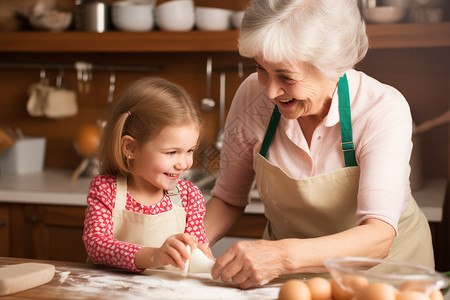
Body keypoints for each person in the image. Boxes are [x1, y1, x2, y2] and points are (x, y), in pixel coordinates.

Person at [204, 0, 434, 289]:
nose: (270, 90)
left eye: (286, 76)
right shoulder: (252, 94)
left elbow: (378, 236)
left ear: (335, 65)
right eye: (260, 68)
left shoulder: (381, 109)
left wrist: (282, 256)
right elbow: (228, 197)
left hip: (383, 279)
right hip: (287, 281)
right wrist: (191, 241)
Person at [83, 77, 209, 273]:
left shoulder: (188, 197)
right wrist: (153, 256)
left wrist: (205, 258)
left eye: (190, 151)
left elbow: (196, 251)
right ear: (130, 148)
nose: (184, 163)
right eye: (171, 152)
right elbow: (97, 245)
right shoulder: (106, 190)